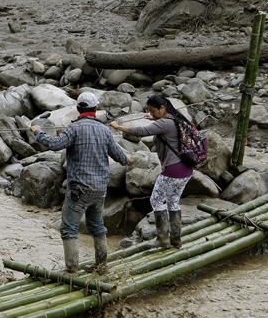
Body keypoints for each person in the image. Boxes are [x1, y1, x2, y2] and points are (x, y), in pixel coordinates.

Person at [30, 92, 129, 274]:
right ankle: (102, 266)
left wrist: (38, 132)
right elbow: (122, 158)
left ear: (78, 109)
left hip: (79, 189)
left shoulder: (73, 128)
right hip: (100, 190)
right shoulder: (105, 130)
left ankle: (72, 270)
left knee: (69, 229)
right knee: (97, 226)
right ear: (95, 109)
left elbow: (55, 144)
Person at [110, 94, 194, 249]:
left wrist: (118, 126)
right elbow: (164, 128)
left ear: (162, 108)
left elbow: (141, 132)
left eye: (153, 110)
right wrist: (155, 119)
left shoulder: (164, 123)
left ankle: (162, 239)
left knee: (155, 200)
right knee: (173, 201)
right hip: (186, 168)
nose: (151, 113)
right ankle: (176, 239)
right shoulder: (175, 119)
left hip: (173, 169)